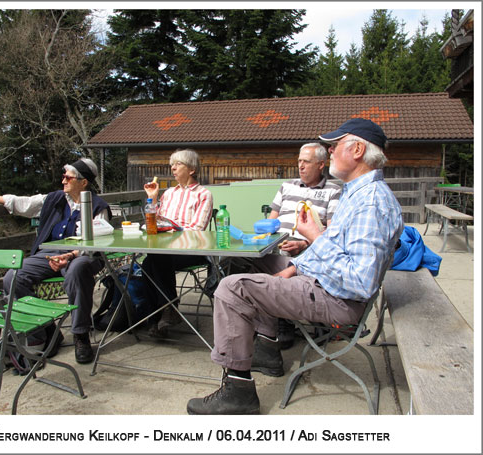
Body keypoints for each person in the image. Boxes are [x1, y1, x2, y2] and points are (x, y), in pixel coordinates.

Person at [186, 118, 404, 414]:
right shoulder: (357, 192)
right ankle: (266, 349)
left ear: (356, 150)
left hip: (338, 300)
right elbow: (338, 252)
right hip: (323, 283)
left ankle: (238, 392)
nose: (329, 153)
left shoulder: (371, 203)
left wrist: (314, 237)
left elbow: (360, 281)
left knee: (231, 287)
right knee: (255, 263)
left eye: (334, 146)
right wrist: (293, 269)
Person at [0, 158, 110, 364]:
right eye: (63, 176)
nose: (63, 180)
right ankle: (45, 330)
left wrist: (69, 256)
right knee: (13, 276)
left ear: (83, 182)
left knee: (78, 271)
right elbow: (25, 203)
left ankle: (80, 334)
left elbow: (97, 243)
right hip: (48, 254)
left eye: (68, 177)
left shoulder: (98, 206)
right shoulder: (54, 199)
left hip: (81, 255)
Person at [252, 143, 341, 350]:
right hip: (276, 244)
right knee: (242, 263)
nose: (300, 166)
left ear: (321, 165)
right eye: (299, 161)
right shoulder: (287, 186)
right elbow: (271, 222)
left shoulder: (333, 191)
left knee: (264, 273)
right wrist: (266, 239)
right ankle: (267, 324)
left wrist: (304, 243)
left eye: (306, 162)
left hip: (308, 250)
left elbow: (331, 231)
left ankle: (280, 324)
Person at [141, 149, 214, 338]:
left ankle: (165, 311)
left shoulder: (203, 194)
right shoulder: (169, 194)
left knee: (155, 259)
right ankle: (161, 315)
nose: (172, 168)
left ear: (191, 169)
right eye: (172, 164)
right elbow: (152, 221)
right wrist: (153, 198)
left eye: (178, 164)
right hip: (165, 250)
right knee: (148, 263)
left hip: (191, 249)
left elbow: (197, 228)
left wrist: (171, 230)